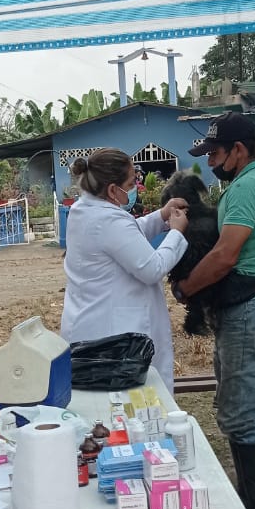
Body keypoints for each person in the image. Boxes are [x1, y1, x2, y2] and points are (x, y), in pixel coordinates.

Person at [174, 112, 255, 509]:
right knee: (236, 413)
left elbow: (224, 256)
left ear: (239, 150)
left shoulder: (245, 189)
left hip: (248, 312)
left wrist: (185, 288)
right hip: (248, 309)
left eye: (216, 153)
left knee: (243, 416)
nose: (211, 162)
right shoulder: (248, 184)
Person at [60, 148, 188, 389]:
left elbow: (127, 236)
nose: (134, 188)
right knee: (128, 402)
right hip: (114, 338)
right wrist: (176, 232)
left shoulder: (84, 209)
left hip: (94, 323)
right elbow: (152, 269)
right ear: (112, 190)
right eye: (130, 184)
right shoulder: (107, 219)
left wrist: (162, 215)